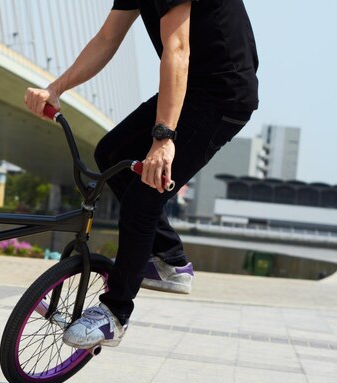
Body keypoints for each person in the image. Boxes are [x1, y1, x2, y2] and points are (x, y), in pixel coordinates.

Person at [24, 0, 258, 349]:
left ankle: (115, 314)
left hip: (223, 96)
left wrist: (164, 139)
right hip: (191, 89)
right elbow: (107, 38)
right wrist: (56, 89)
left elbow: (177, 48)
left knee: (145, 193)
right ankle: (170, 260)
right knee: (111, 153)